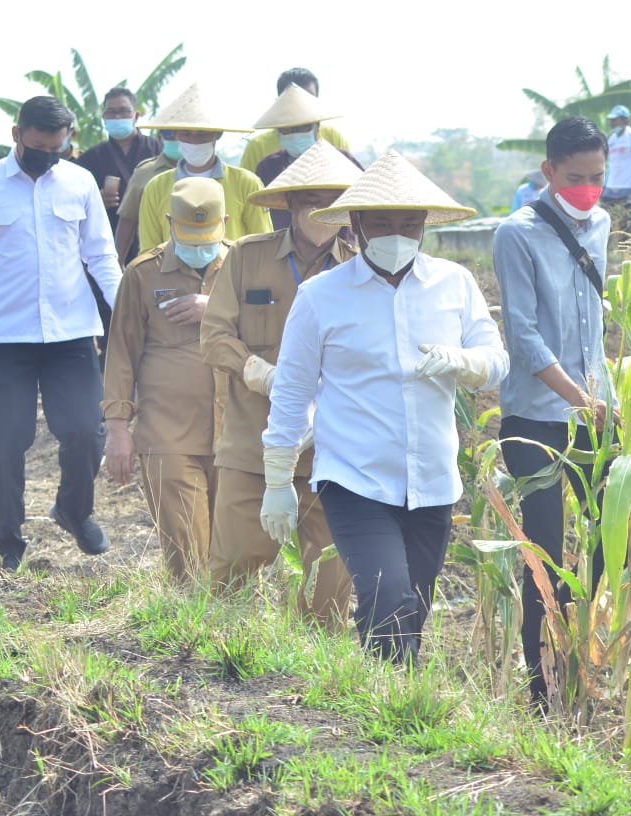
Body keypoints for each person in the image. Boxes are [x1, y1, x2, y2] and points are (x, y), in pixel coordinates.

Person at [258, 149, 508, 662]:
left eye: (409, 224)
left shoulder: (454, 284)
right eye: (384, 223)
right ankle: (391, 708)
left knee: (412, 605)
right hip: (355, 478)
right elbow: (292, 391)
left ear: (424, 227)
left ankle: (391, 710)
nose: (398, 234)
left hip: (433, 480)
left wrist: (463, 362)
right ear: (356, 225)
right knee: (387, 597)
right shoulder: (321, 296)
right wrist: (278, 481)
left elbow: (496, 359)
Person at [200, 142, 363, 627]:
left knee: (331, 578)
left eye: (338, 202)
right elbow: (213, 337)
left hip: (331, 451)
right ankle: (219, 668)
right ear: (291, 205)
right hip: (252, 441)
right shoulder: (249, 258)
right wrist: (259, 372)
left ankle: (315, 681)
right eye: (315, 201)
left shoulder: (359, 268)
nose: (326, 213)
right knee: (230, 573)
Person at [493, 117, 616, 708]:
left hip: (595, 413)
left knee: (598, 544)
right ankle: (542, 685)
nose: (588, 189)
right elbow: (523, 336)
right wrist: (578, 398)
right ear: (548, 173)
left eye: (597, 177)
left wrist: (603, 400)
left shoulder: (604, 225)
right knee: (543, 550)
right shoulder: (514, 235)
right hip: (537, 418)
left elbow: (594, 324)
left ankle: (582, 668)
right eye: (575, 178)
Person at [0, 96, 121, 569]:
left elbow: (101, 255)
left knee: (85, 429)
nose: (47, 157)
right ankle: (8, 537)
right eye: (39, 148)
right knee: (6, 438)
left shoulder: (80, 183)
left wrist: (124, 311)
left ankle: (75, 512)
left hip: (72, 332)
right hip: (5, 336)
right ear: (17, 135)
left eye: (57, 149)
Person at [102, 178, 231, 583]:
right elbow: (120, 353)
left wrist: (215, 309)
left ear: (225, 222)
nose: (198, 247)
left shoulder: (245, 268)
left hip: (238, 435)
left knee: (236, 560)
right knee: (188, 559)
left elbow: (277, 335)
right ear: (168, 222)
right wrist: (118, 427)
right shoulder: (142, 274)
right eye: (188, 236)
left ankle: (239, 640)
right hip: (169, 433)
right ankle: (193, 639)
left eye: (207, 236)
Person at [137, 83, 272, 251]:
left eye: (202, 134)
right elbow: (149, 250)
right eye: (186, 134)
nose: (194, 141)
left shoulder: (247, 183)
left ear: (218, 134)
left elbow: (263, 244)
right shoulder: (156, 187)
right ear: (175, 134)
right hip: (172, 275)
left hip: (234, 275)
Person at [250, 83, 361, 230]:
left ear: (317, 127)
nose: (295, 134)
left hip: (340, 245)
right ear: (277, 132)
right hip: (284, 246)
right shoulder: (268, 167)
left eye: (303, 128)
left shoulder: (342, 161)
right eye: (287, 129)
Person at [77, 87, 162, 261]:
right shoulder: (90, 158)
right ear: (104, 118)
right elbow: (72, 201)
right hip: (105, 243)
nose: (117, 117)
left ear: (136, 116)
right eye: (111, 112)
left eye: (124, 111)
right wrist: (95, 199)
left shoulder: (158, 152)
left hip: (152, 242)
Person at [239, 68, 350, 173]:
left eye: (308, 98)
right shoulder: (258, 147)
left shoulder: (332, 136)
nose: (301, 104)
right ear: (279, 102)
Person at [115, 133, 179, 264]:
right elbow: (128, 218)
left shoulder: (208, 171)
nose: (177, 140)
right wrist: (118, 262)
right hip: (157, 260)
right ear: (160, 138)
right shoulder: (146, 171)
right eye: (171, 136)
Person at [601, 105, 631, 241]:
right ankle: (607, 251)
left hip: (627, 187)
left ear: (625, 121)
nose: (612, 123)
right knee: (606, 219)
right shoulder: (611, 140)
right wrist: (604, 186)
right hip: (611, 187)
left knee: (625, 221)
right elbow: (609, 164)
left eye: (616, 120)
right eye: (611, 120)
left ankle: (625, 253)